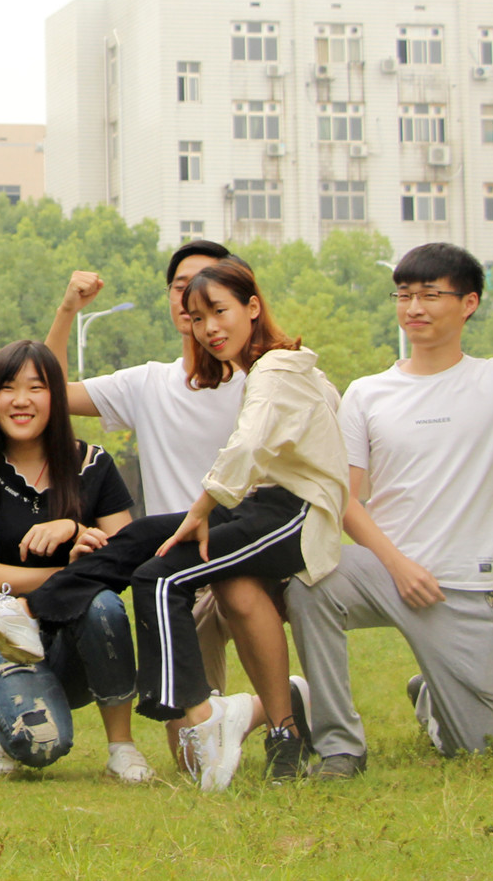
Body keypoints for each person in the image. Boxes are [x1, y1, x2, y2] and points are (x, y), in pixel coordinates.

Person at [0, 260, 347, 790]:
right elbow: (54, 391)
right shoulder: (188, 378)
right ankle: (26, 613)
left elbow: (252, 445)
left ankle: (220, 716)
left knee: (158, 575)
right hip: (248, 512)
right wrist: (68, 309)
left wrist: (202, 509)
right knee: (141, 541)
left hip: (286, 514)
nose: (209, 327)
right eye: (196, 314)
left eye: (219, 310)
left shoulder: (278, 368)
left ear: (252, 306)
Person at [285, 243, 493, 778]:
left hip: (463, 585)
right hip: (384, 570)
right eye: (404, 295)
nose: (414, 308)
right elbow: (345, 498)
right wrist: (399, 566)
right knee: (310, 582)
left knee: (477, 752)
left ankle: (433, 695)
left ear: (469, 303)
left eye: (429, 295)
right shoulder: (368, 393)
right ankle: (339, 746)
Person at [44, 242, 294, 767]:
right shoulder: (148, 383)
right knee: (190, 759)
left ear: (240, 298)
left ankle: (284, 721)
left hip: (242, 557)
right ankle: (267, 704)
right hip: (174, 575)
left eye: (209, 289)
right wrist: (68, 310)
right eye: (182, 287)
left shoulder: (266, 378)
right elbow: (53, 396)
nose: (192, 299)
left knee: (236, 587)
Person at [0, 340, 150, 783]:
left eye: (36, 388)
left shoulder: (93, 465)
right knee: (41, 745)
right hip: (1, 637)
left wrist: (73, 529)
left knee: (102, 603)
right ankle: (11, 726)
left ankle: (122, 748)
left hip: (78, 639)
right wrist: (69, 574)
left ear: (56, 397)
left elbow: (126, 553)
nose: (21, 400)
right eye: (9, 388)